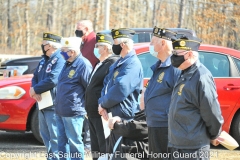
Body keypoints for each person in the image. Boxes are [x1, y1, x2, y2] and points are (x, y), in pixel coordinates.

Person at [168, 35, 224, 160]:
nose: (173, 56)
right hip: (178, 144)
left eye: (176, 53)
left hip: (194, 148)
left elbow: (211, 111)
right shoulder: (183, 73)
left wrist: (215, 134)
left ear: (188, 54)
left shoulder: (201, 77)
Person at [98, 28, 143, 153]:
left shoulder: (132, 63)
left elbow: (121, 88)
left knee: (121, 152)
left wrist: (103, 104)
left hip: (124, 117)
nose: (113, 45)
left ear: (122, 45)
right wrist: (102, 104)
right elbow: (106, 84)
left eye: (115, 42)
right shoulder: (119, 62)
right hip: (111, 114)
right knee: (111, 151)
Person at [141, 26, 181, 160]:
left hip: (165, 126)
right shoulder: (159, 65)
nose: (150, 45)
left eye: (152, 42)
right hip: (154, 124)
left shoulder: (175, 68)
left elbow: (180, 98)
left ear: (163, 43)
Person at [55, 37, 92, 160]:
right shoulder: (66, 64)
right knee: (61, 141)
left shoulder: (83, 65)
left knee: (74, 142)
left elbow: (89, 89)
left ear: (72, 52)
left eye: (64, 50)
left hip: (73, 111)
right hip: (60, 110)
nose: (61, 52)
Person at [30, 32, 65, 160]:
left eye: (44, 44)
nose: (42, 46)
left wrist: (36, 89)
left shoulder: (60, 58)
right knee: (45, 134)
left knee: (55, 136)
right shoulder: (44, 60)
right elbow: (36, 77)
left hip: (53, 104)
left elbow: (53, 79)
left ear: (51, 46)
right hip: (42, 103)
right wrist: (34, 89)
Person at [85, 33, 119, 160]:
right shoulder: (99, 63)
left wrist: (103, 105)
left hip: (101, 111)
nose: (95, 49)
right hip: (92, 111)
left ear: (105, 48)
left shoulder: (111, 63)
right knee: (95, 147)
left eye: (97, 46)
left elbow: (109, 87)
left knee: (103, 145)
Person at [75, 19, 96, 151]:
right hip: (82, 84)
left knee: (90, 115)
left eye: (79, 29)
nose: (77, 32)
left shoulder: (94, 41)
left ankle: (89, 143)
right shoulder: (83, 42)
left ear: (87, 29)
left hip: (91, 84)